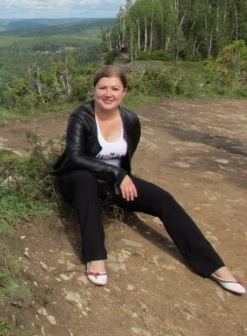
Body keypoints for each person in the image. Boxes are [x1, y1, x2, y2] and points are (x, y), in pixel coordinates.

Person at [51, 65, 245, 294]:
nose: (108, 93)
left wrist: (122, 178)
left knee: (163, 199)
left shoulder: (131, 121)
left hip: (111, 184)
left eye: (115, 88)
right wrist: (118, 174)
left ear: (124, 92)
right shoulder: (81, 116)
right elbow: (74, 157)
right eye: (102, 87)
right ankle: (94, 257)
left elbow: (127, 155)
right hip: (76, 181)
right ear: (94, 90)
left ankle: (213, 265)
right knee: (85, 180)